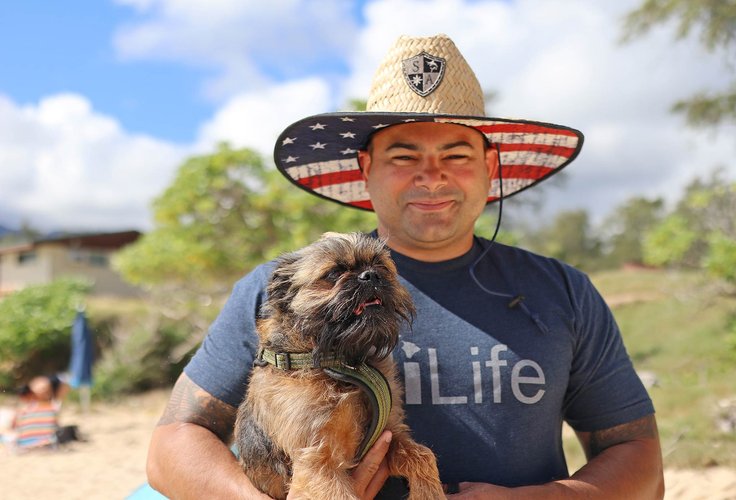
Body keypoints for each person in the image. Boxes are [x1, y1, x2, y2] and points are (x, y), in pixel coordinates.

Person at [147, 34, 664, 498]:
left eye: (457, 155)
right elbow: (173, 445)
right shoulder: (277, 291)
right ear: (367, 170)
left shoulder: (563, 291)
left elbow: (641, 461)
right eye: (403, 156)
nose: (432, 177)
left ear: (489, 169)